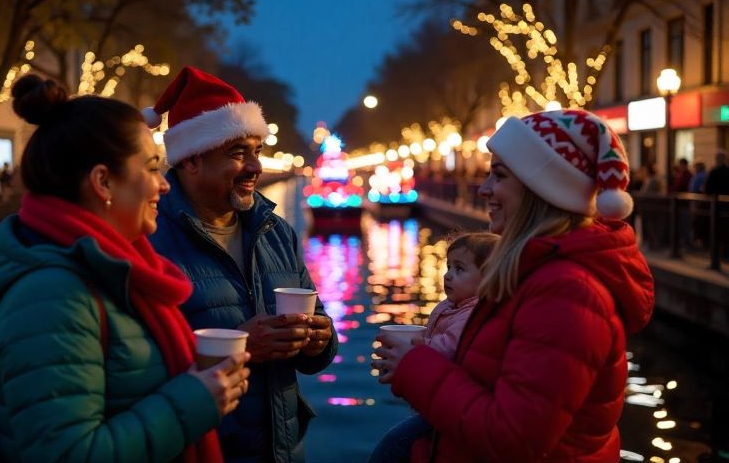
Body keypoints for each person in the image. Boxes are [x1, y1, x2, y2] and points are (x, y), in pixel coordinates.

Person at [0, 74, 250, 461]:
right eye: (151, 168)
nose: (164, 185)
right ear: (103, 181)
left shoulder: (108, 272)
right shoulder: (52, 299)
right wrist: (193, 401)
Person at [374, 109, 655, 462]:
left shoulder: (566, 293)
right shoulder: (536, 274)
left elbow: (513, 438)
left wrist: (415, 367)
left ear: (541, 189)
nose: (483, 188)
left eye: (500, 175)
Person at [144, 66, 338, 462]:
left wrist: (320, 338)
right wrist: (242, 346)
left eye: (257, 151)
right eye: (237, 153)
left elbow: (317, 323)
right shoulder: (149, 239)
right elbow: (135, 370)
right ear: (191, 160)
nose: (255, 167)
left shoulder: (276, 232)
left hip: (283, 450)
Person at [369, 231, 499, 463]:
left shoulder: (471, 315)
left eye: (459, 269)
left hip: (452, 405)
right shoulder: (453, 306)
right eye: (449, 267)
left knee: (391, 449)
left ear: (489, 278)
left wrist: (410, 355)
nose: (448, 276)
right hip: (442, 403)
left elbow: (447, 351)